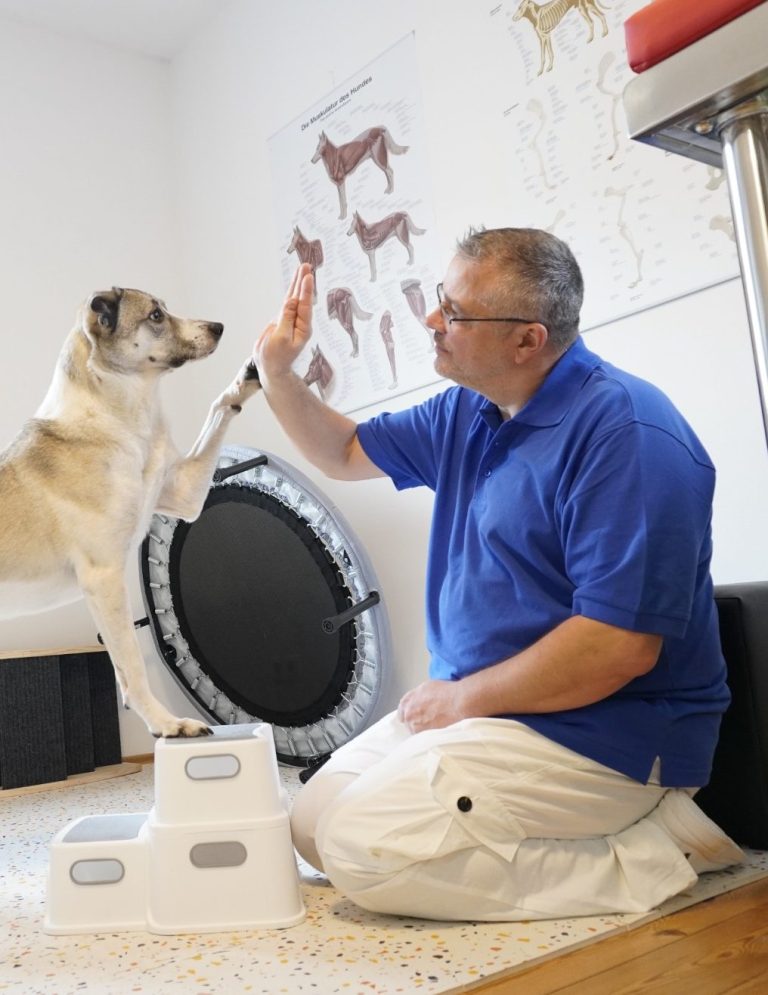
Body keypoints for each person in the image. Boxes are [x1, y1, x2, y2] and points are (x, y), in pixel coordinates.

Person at [253, 227, 743, 921]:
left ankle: (657, 851)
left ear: (527, 340)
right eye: (439, 298)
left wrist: (461, 700)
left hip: (604, 732)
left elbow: (618, 647)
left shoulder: (627, 434)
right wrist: (278, 372)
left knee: (361, 849)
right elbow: (345, 451)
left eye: (454, 312)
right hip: (486, 708)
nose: (431, 319)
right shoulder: (470, 409)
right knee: (311, 825)